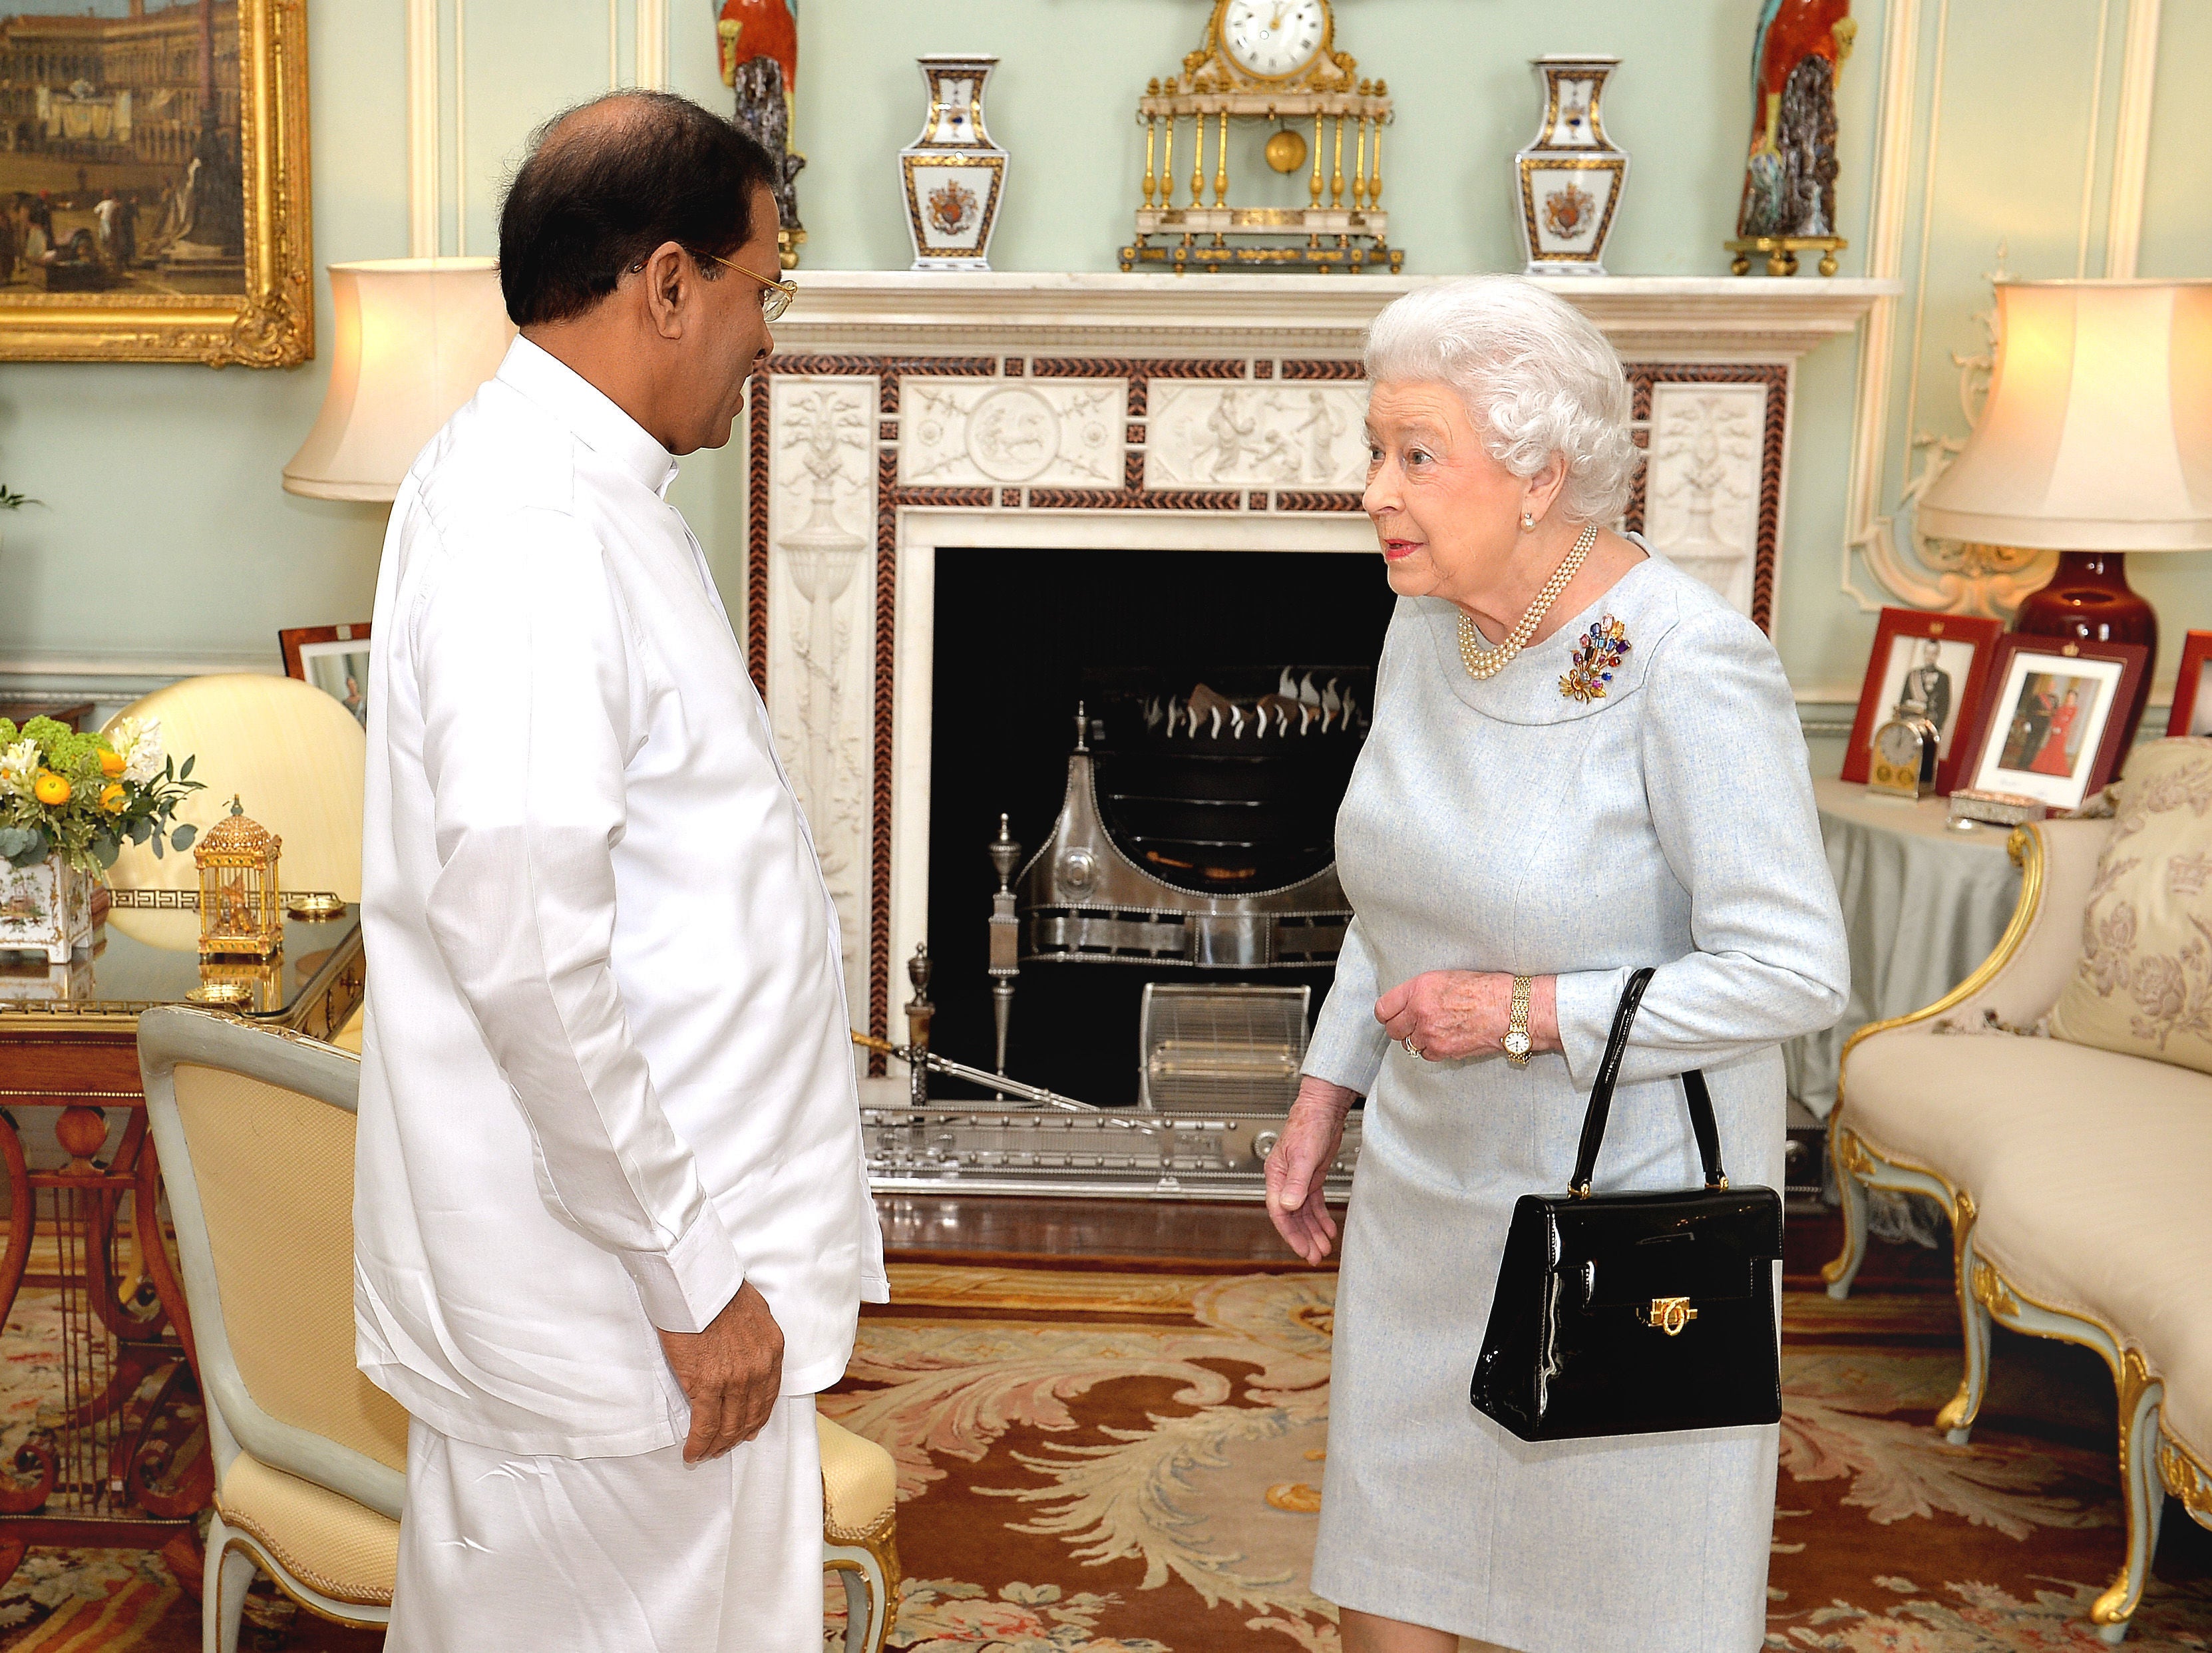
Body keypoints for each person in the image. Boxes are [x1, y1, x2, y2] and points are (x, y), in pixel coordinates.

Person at [355, 89, 884, 1653]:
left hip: (653, 1301)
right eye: (758, 286)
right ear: (664, 281)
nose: (765, 333)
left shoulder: (581, 490)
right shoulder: (536, 529)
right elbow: (527, 947)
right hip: (625, 1314)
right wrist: (691, 1272)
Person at [1263, 276, 1848, 1653]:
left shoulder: (1691, 663)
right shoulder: (1429, 623)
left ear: (1541, 476)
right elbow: (1402, 898)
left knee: (1604, 1605)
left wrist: (1527, 1011)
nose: (1374, 490)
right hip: (1428, 1187)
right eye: (1374, 449)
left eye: (1417, 454)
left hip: (1626, 1211)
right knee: (1393, 1569)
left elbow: (1795, 973)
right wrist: (1323, 1087)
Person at [1899, 636, 1951, 739]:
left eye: (1933, 653)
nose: (1929, 656)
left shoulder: (1944, 678)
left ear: (1938, 655)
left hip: (1930, 728)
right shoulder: (1913, 675)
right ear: (1924, 653)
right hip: (1912, 725)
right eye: (1927, 652)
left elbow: (1945, 706)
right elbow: (1903, 702)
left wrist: (1937, 728)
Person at [2030, 686, 2080, 777]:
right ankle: (2044, 767)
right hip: (2054, 732)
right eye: (2069, 696)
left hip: (2062, 733)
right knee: (2049, 748)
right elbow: (2054, 718)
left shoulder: (2074, 710)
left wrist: (2061, 728)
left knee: (2058, 750)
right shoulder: (2061, 708)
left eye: (2072, 697)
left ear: (2075, 698)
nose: (2070, 698)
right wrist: (2054, 727)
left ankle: (2054, 769)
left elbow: (2069, 721)